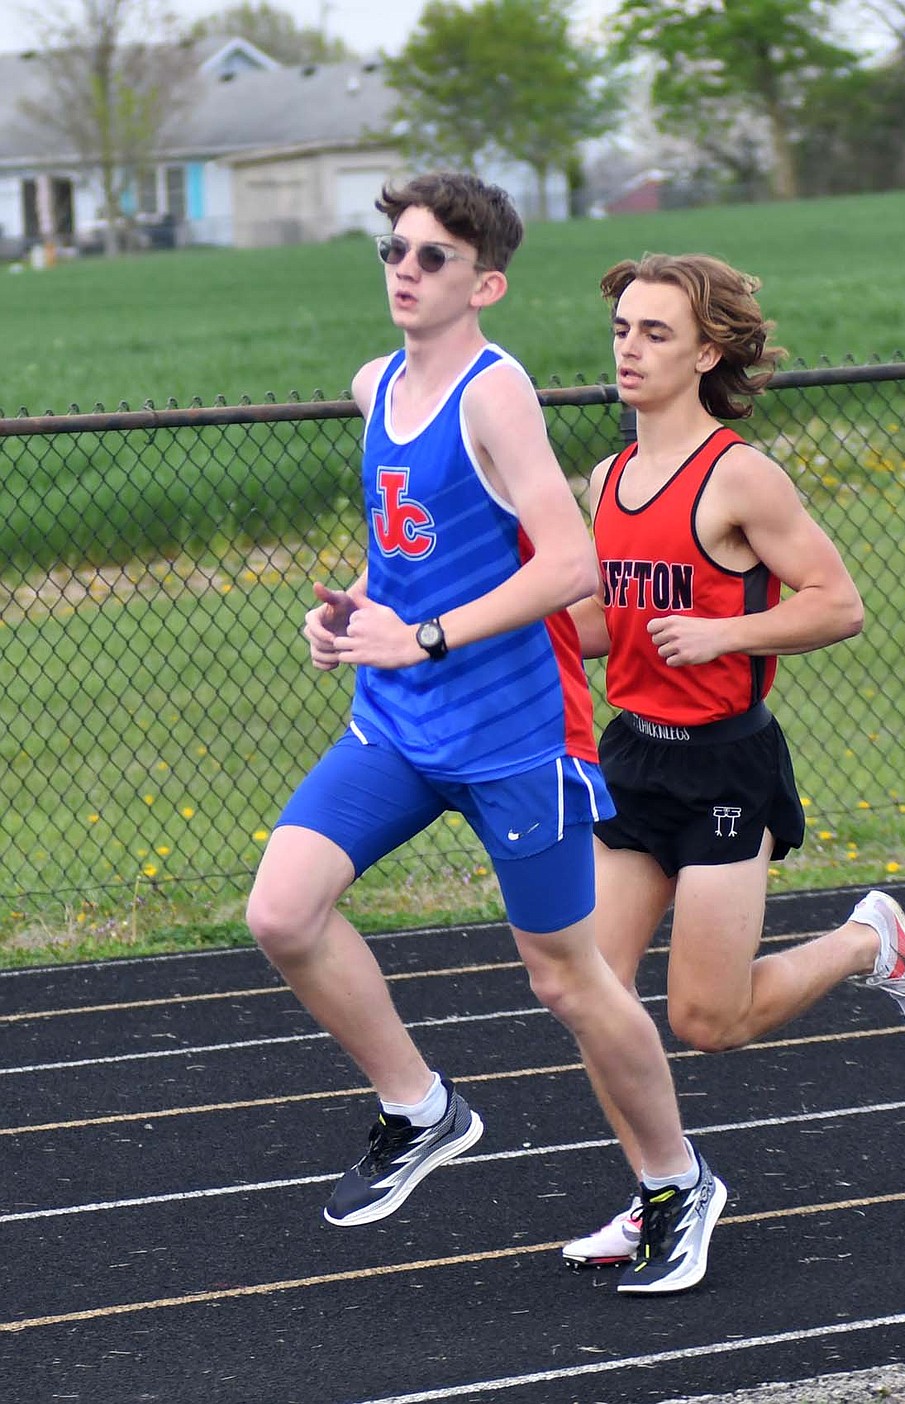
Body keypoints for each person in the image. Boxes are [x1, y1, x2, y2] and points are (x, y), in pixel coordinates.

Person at [245, 176, 725, 1296]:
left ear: (484, 282)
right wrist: (357, 618)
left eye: (430, 258)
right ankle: (421, 1109)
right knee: (281, 909)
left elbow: (571, 565)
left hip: (515, 735)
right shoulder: (375, 386)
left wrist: (423, 633)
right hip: (399, 725)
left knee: (566, 982)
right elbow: (406, 549)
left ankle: (673, 1182)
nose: (403, 271)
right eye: (393, 251)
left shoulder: (492, 393)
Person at [561, 252, 905, 1268]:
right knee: (590, 996)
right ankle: (661, 1192)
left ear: (706, 351)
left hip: (724, 772)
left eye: (653, 333)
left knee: (705, 1019)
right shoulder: (605, 478)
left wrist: (727, 637)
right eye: (621, 331)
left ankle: (868, 944)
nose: (630, 350)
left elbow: (836, 604)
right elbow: (608, 621)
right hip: (633, 761)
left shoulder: (738, 475)